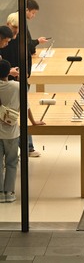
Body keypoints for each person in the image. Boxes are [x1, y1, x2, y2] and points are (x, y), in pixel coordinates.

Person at [0, 59, 44, 203]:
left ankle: (0, 193)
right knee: (12, 162)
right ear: (9, 72)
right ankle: (10, 192)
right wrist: (33, 122)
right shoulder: (17, 87)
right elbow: (26, 106)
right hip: (11, 131)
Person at [1, 12, 39, 156]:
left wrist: (27, 72)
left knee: (22, 110)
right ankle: (9, 150)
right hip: (5, 79)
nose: (15, 31)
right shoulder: (5, 38)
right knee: (8, 115)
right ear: (8, 24)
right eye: (14, 27)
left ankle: (28, 147)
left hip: (19, 78)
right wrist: (7, 73)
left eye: (18, 28)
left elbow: (28, 55)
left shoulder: (21, 38)